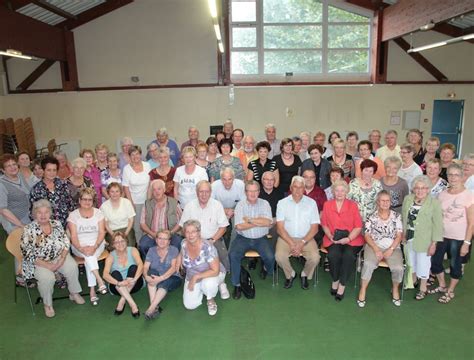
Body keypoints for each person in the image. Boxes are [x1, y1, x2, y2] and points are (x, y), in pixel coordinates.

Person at [21, 199, 85, 318]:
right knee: (47, 278)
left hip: (58, 257)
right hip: (39, 262)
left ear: (50, 213)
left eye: (46, 212)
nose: (43, 215)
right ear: (35, 214)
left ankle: (74, 293)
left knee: (72, 267)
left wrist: (61, 259)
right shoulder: (28, 229)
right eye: (40, 212)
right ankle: (48, 304)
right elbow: (27, 253)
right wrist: (48, 266)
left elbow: (66, 242)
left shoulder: (57, 224)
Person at [429, 164, 474, 304]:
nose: (453, 178)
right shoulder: (442, 194)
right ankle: (442, 285)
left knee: (456, 265)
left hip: (459, 238)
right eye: (450, 174)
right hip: (441, 235)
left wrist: (466, 243)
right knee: (435, 262)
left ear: (462, 177)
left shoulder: (468, 195)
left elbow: (471, 222)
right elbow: (437, 216)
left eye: (456, 175)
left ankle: (450, 290)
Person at [357, 191, 404, 307]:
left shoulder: (397, 216)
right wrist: (376, 249)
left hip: (392, 247)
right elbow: (367, 235)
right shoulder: (371, 217)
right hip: (374, 246)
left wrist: (391, 249)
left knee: (398, 268)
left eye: (387, 200)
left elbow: (399, 236)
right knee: (368, 264)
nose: (385, 203)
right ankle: (363, 290)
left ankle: (395, 289)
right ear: (378, 202)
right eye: (382, 200)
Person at [229, 180, 275, 299]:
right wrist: (259, 221)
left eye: (255, 191)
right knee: (233, 255)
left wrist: (249, 220)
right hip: (242, 238)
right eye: (250, 191)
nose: (253, 194)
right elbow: (239, 226)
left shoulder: (265, 204)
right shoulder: (240, 205)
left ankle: (265, 268)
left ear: (259, 192)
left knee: (271, 257)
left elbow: (268, 222)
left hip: (261, 239)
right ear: (245, 192)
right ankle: (237, 285)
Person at [321, 180, 364, 301]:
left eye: (342, 190)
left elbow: (358, 226)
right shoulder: (327, 205)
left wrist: (349, 238)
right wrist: (329, 235)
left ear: (346, 192)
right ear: (333, 192)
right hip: (333, 239)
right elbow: (324, 224)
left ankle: (342, 284)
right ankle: (335, 279)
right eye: (337, 190)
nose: (339, 193)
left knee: (348, 256)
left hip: (352, 239)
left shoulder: (353, 205)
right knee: (333, 255)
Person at [401, 175, 442, 300]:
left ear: (428, 189)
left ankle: (423, 288)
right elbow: (404, 217)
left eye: (423, 188)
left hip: (425, 240)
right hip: (408, 236)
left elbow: (438, 225)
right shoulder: (408, 199)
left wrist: (434, 243)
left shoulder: (434, 203)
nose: (420, 190)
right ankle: (412, 281)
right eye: (417, 188)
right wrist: (403, 234)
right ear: (413, 189)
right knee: (411, 261)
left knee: (423, 264)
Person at [275, 176, 320, 290]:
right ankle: (290, 274)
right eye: (295, 187)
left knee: (315, 257)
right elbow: (280, 228)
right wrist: (291, 243)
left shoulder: (311, 203)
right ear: (291, 187)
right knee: (279, 256)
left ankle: (304, 274)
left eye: (301, 187)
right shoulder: (282, 203)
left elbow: (315, 228)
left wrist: (302, 242)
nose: (298, 190)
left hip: (306, 238)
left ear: (304, 189)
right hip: (286, 237)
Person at [179, 219, 228, 316]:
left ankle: (211, 299)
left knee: (208, 283)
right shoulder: (183, 243)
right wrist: (178, 262)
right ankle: (203, 288)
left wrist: (196, 277)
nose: (190, 235)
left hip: (212, 273)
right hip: (192, 274)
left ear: (199, 233)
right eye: (187, 232)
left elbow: (215, 270)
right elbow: (181, 253)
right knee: (190, 305)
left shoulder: (207, 247)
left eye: (193, 231)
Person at [68, 187, 108, 305]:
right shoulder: (73, 216)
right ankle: (99, 281)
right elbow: (73, 236)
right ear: (79, 200)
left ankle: (92, 290)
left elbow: (102, 232)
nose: (87, 202)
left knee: (90, 257)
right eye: (84, 199)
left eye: (89, 199)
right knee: (89, 256)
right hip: (78, 246)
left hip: (97, 244)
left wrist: (95, 246)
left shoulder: (99, 213)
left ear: (93, 201)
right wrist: (81, 248)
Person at [179, 180, 230, 271]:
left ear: (210, 193)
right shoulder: (189, 206)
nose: (204, 194)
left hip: (213, 239)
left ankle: (220, 275)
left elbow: (223, 227)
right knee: (186, 266)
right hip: (193, 239)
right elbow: (183, 228)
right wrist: (193, 240)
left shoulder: (217, 205)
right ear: (197, 192)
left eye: (207, 192)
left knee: (224, 263)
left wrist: (212, 240)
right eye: (201, 192)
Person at [143, 229, 182, 320]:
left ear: (169, 241)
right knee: (151, 273)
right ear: (156, 240)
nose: (162, 241)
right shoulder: (151, 250)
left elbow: (173, 268)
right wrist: (146, 276)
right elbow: (145, 267)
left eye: (165, 239)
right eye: (160, 238)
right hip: (157, 276)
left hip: (172, 277)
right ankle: (155, 306)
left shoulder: (174, 250)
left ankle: (150, 308)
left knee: (163, 284)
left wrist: (160, 278)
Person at [102, 231, 143, 317]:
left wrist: (134, 279)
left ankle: (122, 301)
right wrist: (118, 283)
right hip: (117, 288)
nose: (120, 244)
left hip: (134, 284)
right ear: (113, 244)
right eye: (117, 242)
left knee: (133, 267)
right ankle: (133, 304)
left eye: (122, 241)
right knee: (115, 273)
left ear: (126, 241)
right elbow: (105, 275)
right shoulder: (110, 257)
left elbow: (141, 265)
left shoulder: (133, 250)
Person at [138, 179, 181, 258]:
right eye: (154, 190)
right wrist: (152, 234)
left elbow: (180, 223)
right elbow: (142, 223)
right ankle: (149, 266)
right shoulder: (147, 203)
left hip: (170, 234)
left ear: (164, 189)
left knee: (177, 243)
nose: (156, 192)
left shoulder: (174, 202)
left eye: (159, 189)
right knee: (143, 245)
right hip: (152, 234)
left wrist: (170, 233)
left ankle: (173, 265)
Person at [29, 156, 75, 229]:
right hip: (47, 229)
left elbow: (71, 205)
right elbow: (33, 213)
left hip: (66, 227)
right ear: (43, 170)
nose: (52, 173)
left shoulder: (64, 184)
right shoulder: (36, 189)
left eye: (54, 170)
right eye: (49, 170)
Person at [211, 168, 246, 247]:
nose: (227, 182)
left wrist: (233, 211)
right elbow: (211, 205)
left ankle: (232, 247)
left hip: (236, 209)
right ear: (220, 179)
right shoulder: (214, 185)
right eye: (224, 179)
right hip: (219, 209)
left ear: (234, 178)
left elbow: (243, 203)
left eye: (230, 179)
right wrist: (225, 211)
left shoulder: (240, 184)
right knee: (218, 225)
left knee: (238, 225)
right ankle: (219, 247)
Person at [122, 145, 151, 241]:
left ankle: (146, 246)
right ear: (129, 156)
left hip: (147, 200)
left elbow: (150, 184)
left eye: (137, 154)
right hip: (135, 202)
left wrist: (149, 201)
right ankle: (139, 247)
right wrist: (131, 203)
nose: (135, 157)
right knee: (137, 227)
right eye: (132, 155)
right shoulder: (127, 169)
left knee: (148, 225)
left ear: (140, 154)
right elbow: (126, 187)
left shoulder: (147, 165)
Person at [0, 154, 32, 234]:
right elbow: (3, 210)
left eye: (14, 164)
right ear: (3, 170)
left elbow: (26, 193)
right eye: (8, 166)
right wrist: (21, 225)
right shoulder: (1, 184)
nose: (13, 167)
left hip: (28, 216)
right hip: (14, 222)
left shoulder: (19, 175)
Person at [100, 182, 136, 247]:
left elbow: (131, 220)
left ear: (120, 192)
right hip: (112, 231)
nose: (115, 194)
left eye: (117, 191)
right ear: (108, 193)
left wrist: (125, 234)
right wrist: (114, 235)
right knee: (116, 247)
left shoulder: (127, 202)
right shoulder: (104, 206)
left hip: (126, 229)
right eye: (112, 191)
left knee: (129, 246)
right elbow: (106, 225)